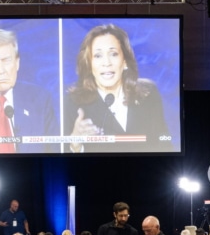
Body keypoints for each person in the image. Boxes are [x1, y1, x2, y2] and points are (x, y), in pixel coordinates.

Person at [65, 23, 171, 153]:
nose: (107, 63)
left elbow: (163, 144)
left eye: (113, 54)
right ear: (89, 63)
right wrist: (76, 144)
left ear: (125, 61)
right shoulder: (74, 102)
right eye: (98, 56)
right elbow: (64, 159)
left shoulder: (148, 92)